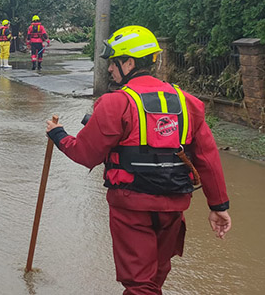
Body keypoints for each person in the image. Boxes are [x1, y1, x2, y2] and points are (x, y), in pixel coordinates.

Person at [45, 25, 231, 295]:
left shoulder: (114, 103)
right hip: (173, 206)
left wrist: (58, 134)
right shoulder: (189, 103)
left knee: (140, 283)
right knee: (156, 272)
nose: (109, 69)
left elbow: (85, 154)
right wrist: (219, 206)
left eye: (113, 63)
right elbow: (208, 158)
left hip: (131, 207)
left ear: (129, 62)